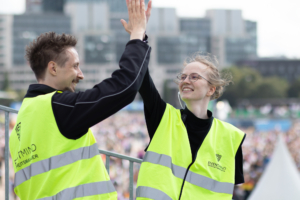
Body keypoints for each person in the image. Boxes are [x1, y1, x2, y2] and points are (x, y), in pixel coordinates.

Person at [9, 0, 150, 199]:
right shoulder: (58, 107)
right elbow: (124, 87)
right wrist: (138, 36)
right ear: (53, 68)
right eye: (75, 66)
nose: (80, 74)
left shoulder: (19, 126)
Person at [122, 10, 245, 199]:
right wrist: (139, 35)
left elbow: (232, 192)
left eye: (194, 77)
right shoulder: (164, 118)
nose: (186, 80)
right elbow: (143, 78)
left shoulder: (232, 137)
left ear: (211, 89)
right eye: (183, 76)